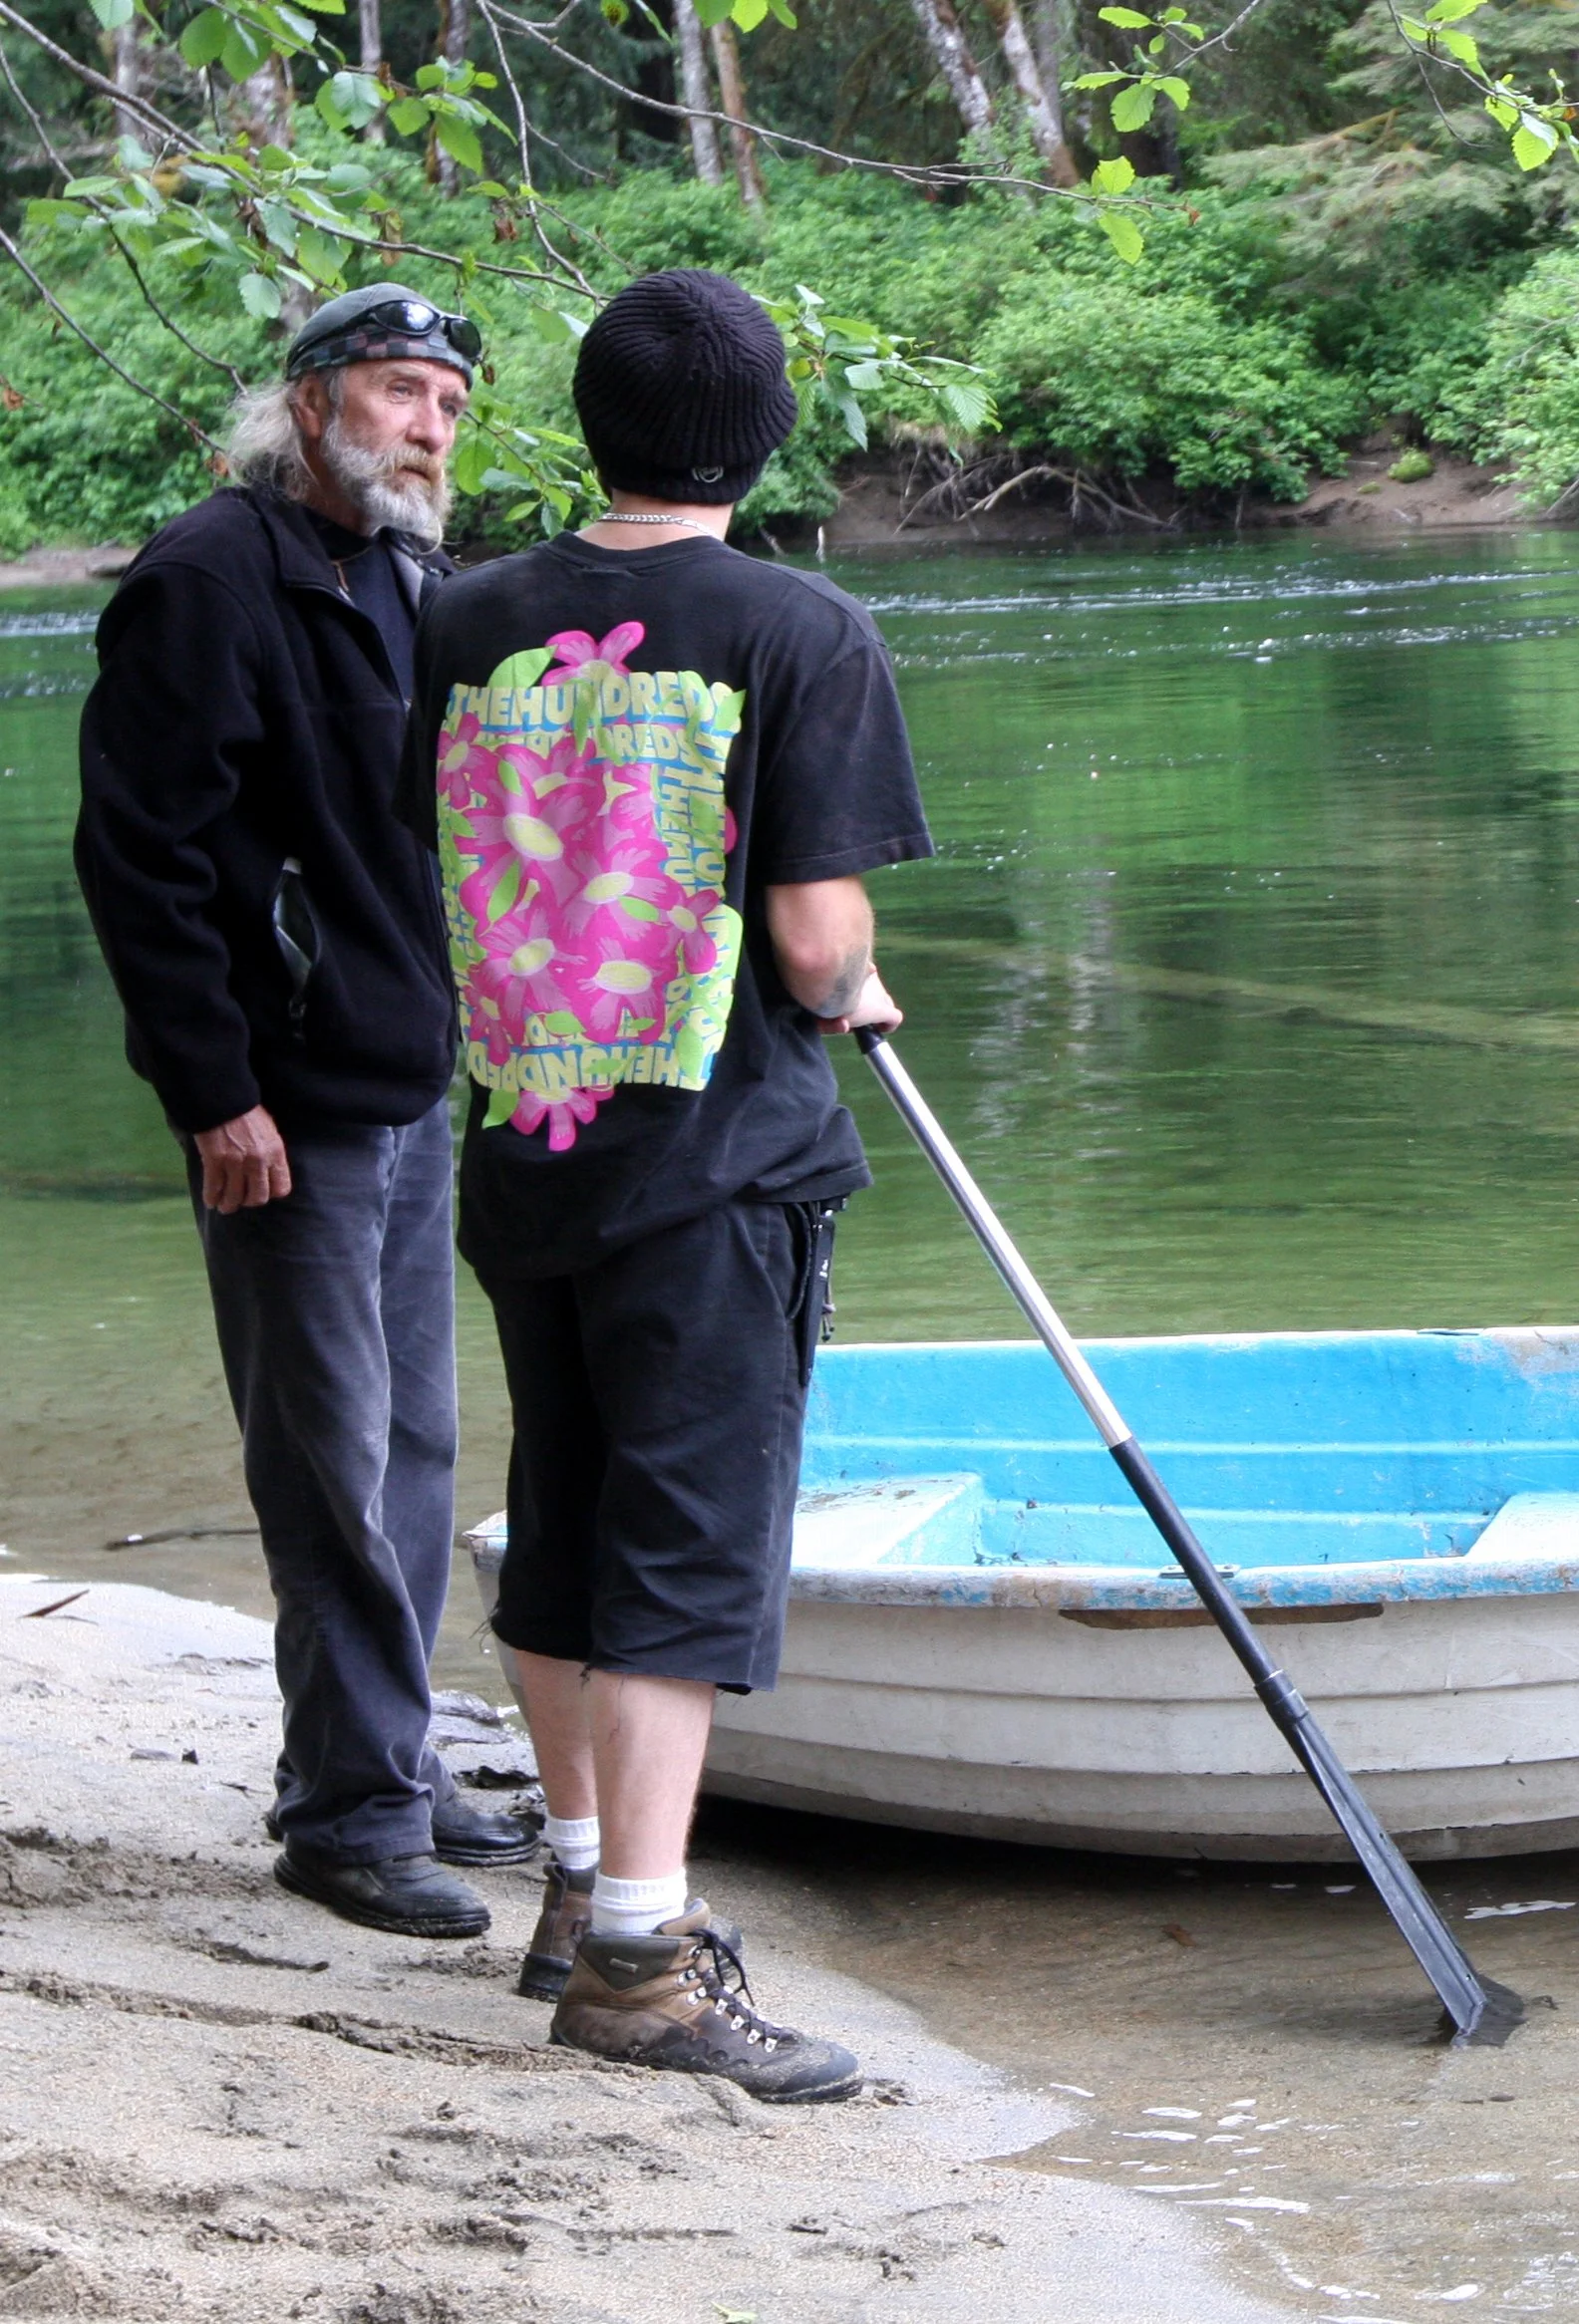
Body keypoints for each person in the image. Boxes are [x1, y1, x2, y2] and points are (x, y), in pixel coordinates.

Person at [399, 267, 933, 2097]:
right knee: (686, 1560)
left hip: (527, 1137)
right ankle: (643, 1955)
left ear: (589, 418)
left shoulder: (466, 617)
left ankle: (575, 1887)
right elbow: (803, 938)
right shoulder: (799, 629)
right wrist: (856, 973)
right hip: (719, 1169)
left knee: (568, 1518)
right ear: (765, 437)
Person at [75, 286, 535, 1940]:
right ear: (316, 398)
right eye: (406, 391)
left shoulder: (414, 576)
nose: (430, 425)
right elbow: (140, 862)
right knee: (328, 1457)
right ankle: (345, 1817)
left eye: (451, 403)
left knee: (413, 1444)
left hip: (410, 1081)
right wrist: (212, 1089)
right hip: (281, 1103)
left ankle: (386, 1768)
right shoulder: (206, 578)